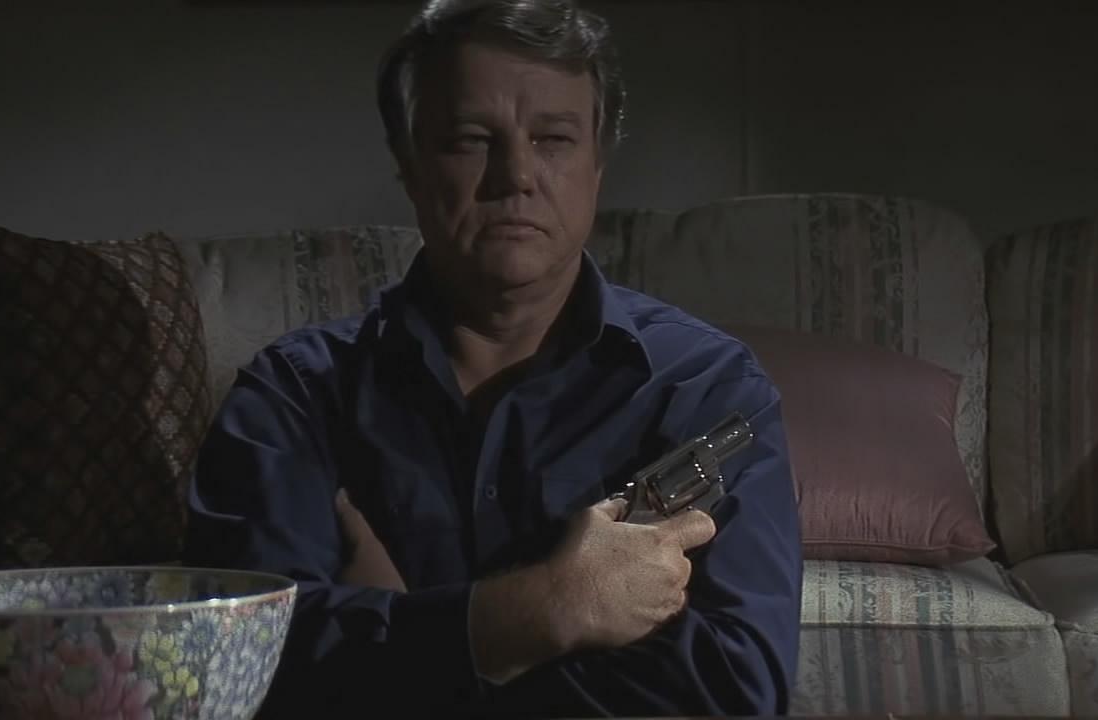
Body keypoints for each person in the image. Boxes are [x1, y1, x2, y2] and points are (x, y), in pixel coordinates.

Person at [183, 0, 802, 716]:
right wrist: (539, 613)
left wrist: (402, 632)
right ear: (410, 164)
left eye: (553, 139)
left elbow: (738, 691)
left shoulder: (706, 391)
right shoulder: (294, 398)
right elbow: (233, 671)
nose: (516, 175)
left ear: (598, 164)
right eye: (472, 140)